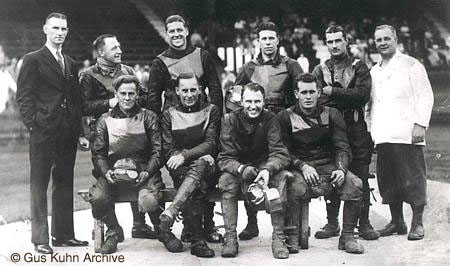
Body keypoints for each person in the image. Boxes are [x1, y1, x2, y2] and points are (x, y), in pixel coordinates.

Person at [16, 12, 89, 254]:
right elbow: (24, 97)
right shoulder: (32, 59)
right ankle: (40, 239)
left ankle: (63, 235)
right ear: (45, 29)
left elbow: (75, 101)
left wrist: (80, 132)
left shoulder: (70, 62)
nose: (60, 33)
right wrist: (34, 124)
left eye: (64, 29)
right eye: (56, 28)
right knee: (39, 184)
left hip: (67, 132)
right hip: (43, 132)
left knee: (64, 182)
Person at [148, 14, 223, 243]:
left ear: (186, 31)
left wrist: (215, 119)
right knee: (185, 175)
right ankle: (191, 229)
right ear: (167, 34)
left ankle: (207, 226)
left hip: (203, 120)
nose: (176, 35)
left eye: (180, 30)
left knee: (208, 176)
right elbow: (153, 99)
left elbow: (215, 89)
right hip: (175, 125)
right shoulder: (160, 61)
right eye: (172, 31)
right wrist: (157, 130)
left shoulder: (202, 55)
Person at [278, 73, 364, 254]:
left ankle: (347, 236)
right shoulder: (285, 116)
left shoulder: (332, 114)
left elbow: (343, 147)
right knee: (294, 187)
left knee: (355, 184)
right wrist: (302, 166)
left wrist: (341, 169)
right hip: (300, 166)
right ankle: (292, 235)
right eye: (303, 92)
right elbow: (283, 152)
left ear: (318, 92)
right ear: (296, 94)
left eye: (311, 92)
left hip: (328, 165)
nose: (308, 97)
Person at [79, 34, 155, 240]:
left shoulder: (127, 71)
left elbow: (142, 95)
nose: (119, 50)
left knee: (134, 170)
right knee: (107, 176)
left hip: (133, 128)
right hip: (104, 134)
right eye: (114, 48)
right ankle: (113, 227)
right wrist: (109, 104)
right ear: (101, 52)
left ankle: (139, 225)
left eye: (119, 46)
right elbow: (83, 107)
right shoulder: (88, 75)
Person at [232, 21, 303, 240]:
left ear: (278, 40)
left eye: (272, 38)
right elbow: (235, 98)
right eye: (264, 38)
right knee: (252, 169)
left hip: (283, 127)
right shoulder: (249, 67)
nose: (268, 42)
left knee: (284, 174)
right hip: (255, 128)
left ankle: (288, 229)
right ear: (258, 41)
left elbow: (301, 97)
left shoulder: (291, 65)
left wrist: (287, 118)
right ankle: (252, 224)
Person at [367, 25, 434, 241]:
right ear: (374, 43)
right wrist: (371, 130)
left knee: (413, 179)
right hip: (383, 134)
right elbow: (370, 105)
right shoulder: (374, 70)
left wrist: (420, 124)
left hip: (407, 133)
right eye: (379, 40)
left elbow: (425, 96)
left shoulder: (411, 65)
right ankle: (397, 222)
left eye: (387, 38)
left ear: (396, 39)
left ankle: (417, 222)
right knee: (388, 181)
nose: (383, 42)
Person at [89, 75, 170, 254]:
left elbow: (158, 151)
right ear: (116, 94)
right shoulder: (104, 119)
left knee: (149, 200)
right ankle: (113, 231)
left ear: (137, 94)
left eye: (131, 93)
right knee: (98, 197)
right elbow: (98, 154)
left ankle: (162, 231)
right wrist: (106, 171)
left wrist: (148, 171)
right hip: (113, 171)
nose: (127, 98)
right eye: (123, 93)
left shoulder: (149, 117)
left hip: (143, 169)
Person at [312, 25, 378, 241]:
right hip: (330, 129)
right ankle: (332, 223)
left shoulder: (359, 67)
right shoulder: (320, 69)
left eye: (337, 41)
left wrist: (333, 92)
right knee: (334, 173)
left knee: (360, 174)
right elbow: (317, 98)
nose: (334, 45)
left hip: (355, 128)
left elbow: (362, 95)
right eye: (329, 42)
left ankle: (364, 222)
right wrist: (342, 96)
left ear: (346, 41)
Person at [218, 82, 291, 259]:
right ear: (241, 102)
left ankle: (279, 237)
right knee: (225, 182)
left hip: (263, 166)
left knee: (281, 180)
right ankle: (230, 237)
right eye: (248, 101)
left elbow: (280, 153)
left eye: (257, 101)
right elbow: (224, 158)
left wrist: (267, 169)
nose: (253, 106)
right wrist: (241, 168)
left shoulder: (270, 119)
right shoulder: (229, 120)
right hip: (239, 168)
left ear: (264, 101)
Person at [159, 72, 221, 257]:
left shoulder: (212, 110)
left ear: (200, 90)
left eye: (193, 89)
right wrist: (186, 159)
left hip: (207, 164)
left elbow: (211, 143)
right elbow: (169, 150)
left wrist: (185, 155)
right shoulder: (168, 114)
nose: (189, 94)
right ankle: (197, 239)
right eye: (184, 90)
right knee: (197, 184)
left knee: (201, 166)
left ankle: (178, 215)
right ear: (177, 91)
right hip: (181, 168)